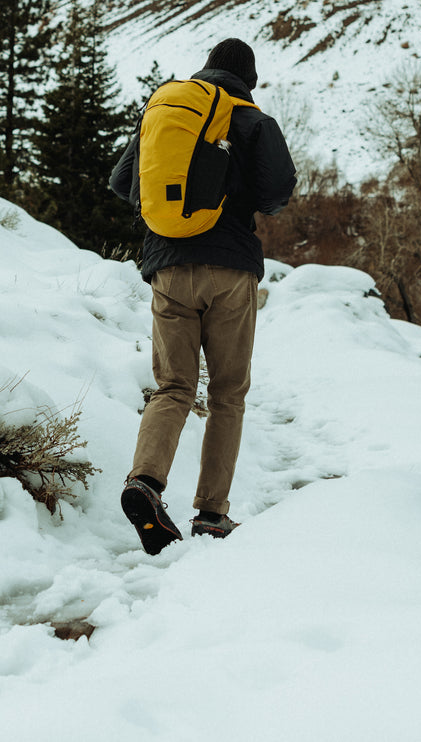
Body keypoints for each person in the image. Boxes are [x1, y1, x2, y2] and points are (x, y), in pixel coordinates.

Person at [109, 37, 297, 553]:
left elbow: (124, 181)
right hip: (231, 271)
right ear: (249, 79)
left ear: (207, 69)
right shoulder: (252, 120)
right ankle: (212, 514)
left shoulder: (170, 108)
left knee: (173, 387)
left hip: (168, 268)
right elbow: (278, 193)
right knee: (227, 394)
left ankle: (145, 481)